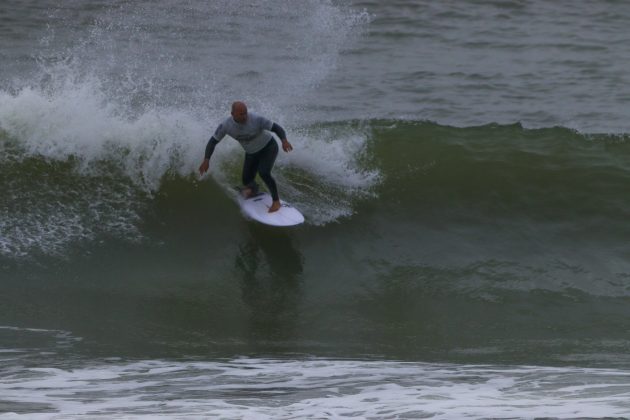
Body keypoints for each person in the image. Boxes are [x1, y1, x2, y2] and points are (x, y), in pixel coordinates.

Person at [199, 101, 293, 213]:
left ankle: (276, 201)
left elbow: (277, 128)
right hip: (251, 153)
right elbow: (213, 141)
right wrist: (206, 159)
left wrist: (284, 140)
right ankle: (253, 189)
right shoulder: (226, 126)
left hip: (268, 147)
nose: (244, 116)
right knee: (246, 180)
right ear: (232, 114)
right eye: (241, 114)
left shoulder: (256, 119)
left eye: (245, 113)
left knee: (264, 172)